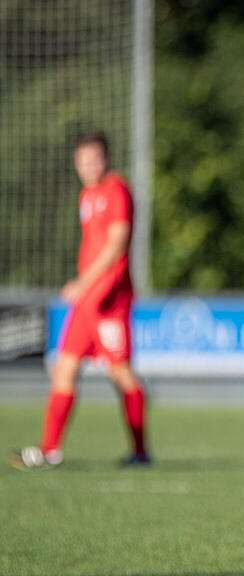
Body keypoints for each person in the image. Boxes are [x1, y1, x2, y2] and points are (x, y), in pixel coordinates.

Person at [9, 131, 150, 470]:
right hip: (86, 303)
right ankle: (50, 450)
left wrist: (84, 281)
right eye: (82, 161)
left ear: (107, 159)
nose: (87, 167)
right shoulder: (87, 194)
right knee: (64, 369)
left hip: (109, 301)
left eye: (94, 160)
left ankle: (141, 451)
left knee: (122, 375)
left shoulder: (117, 190)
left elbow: (117, 243)